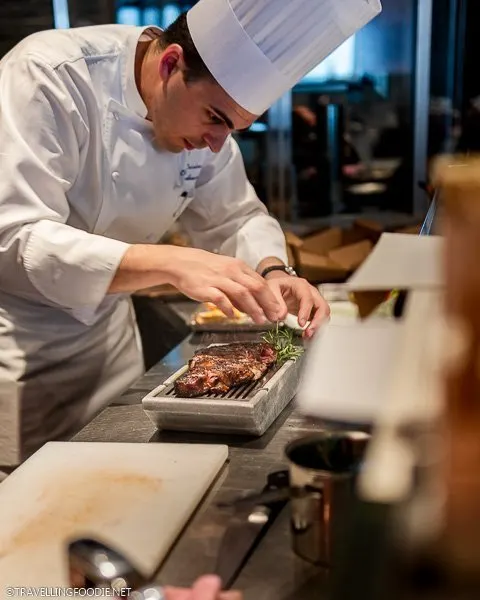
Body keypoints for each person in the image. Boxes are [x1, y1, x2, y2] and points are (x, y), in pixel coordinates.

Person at [0, 0, 381, 466]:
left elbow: (236, 216)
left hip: (111, 352)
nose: (218, 143)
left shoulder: (202, 121)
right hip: (22, 359)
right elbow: (14, 236)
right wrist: (169, 261)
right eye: (216, 119)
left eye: (236, 128)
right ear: (170, 64)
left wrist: (275, 269)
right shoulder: (48, 75)